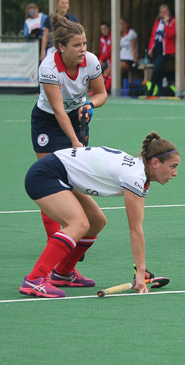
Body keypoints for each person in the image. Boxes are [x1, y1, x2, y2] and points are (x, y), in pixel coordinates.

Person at [19, 132, 180, 298]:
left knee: (96, 222)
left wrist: (141, 269)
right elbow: (135, 228)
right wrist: (139, 271)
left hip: (62, 176)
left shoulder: (139, 173)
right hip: (45, 176)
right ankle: (35, 279)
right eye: (173, 166)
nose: (175, 173)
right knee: (79, 224)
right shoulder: (134, 176)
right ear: (155, 163)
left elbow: (137, 226)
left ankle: (63, 272)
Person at [31, 13, 108, 241]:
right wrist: (75, 141)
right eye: (77, 45)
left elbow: (102, 93)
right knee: (49, 179)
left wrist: (90, 104)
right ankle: (55, 240)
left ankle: (74, 234)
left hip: (77, 117)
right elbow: (57, 110)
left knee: (73, 179)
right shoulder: (48, 68)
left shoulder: (91, 61)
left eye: (84, 43)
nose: (83, 49)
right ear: (61, 47)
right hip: (47, 122)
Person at [147, 4, 176, 97]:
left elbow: (171, 34)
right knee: (159, 71)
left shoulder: (172, 21)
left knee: (156, 70)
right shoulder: (157, 21)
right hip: (156, 49)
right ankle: (160, 90)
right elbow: (154, 35)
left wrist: (167, 24)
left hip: (165, 50)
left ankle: (151, 90)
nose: (164, 14)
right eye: (162, 12)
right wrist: (150, 48)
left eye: (165, 12)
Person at [119, 18, 139, 83]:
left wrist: (135, 61)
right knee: (107, 70)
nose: (122, 26)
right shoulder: (121, 35)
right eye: (120, 24)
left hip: (129, 59)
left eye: (123, 23)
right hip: (121, 58)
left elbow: (133, 48)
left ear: (127, 24)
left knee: (115, 70)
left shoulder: (131, 33)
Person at [97, 21, 112, 92]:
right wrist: (100, 60)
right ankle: (97, 90)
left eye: (105, 28)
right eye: (102, 29)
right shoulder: (102, 38)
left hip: (110, 59)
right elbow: (101, 51)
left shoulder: (112, 37)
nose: (104, 31)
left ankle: (103, 90)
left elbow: (110, 51)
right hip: (104, 60)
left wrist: (101, 60)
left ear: (109, 28)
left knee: (107, 71)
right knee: (96, 70)